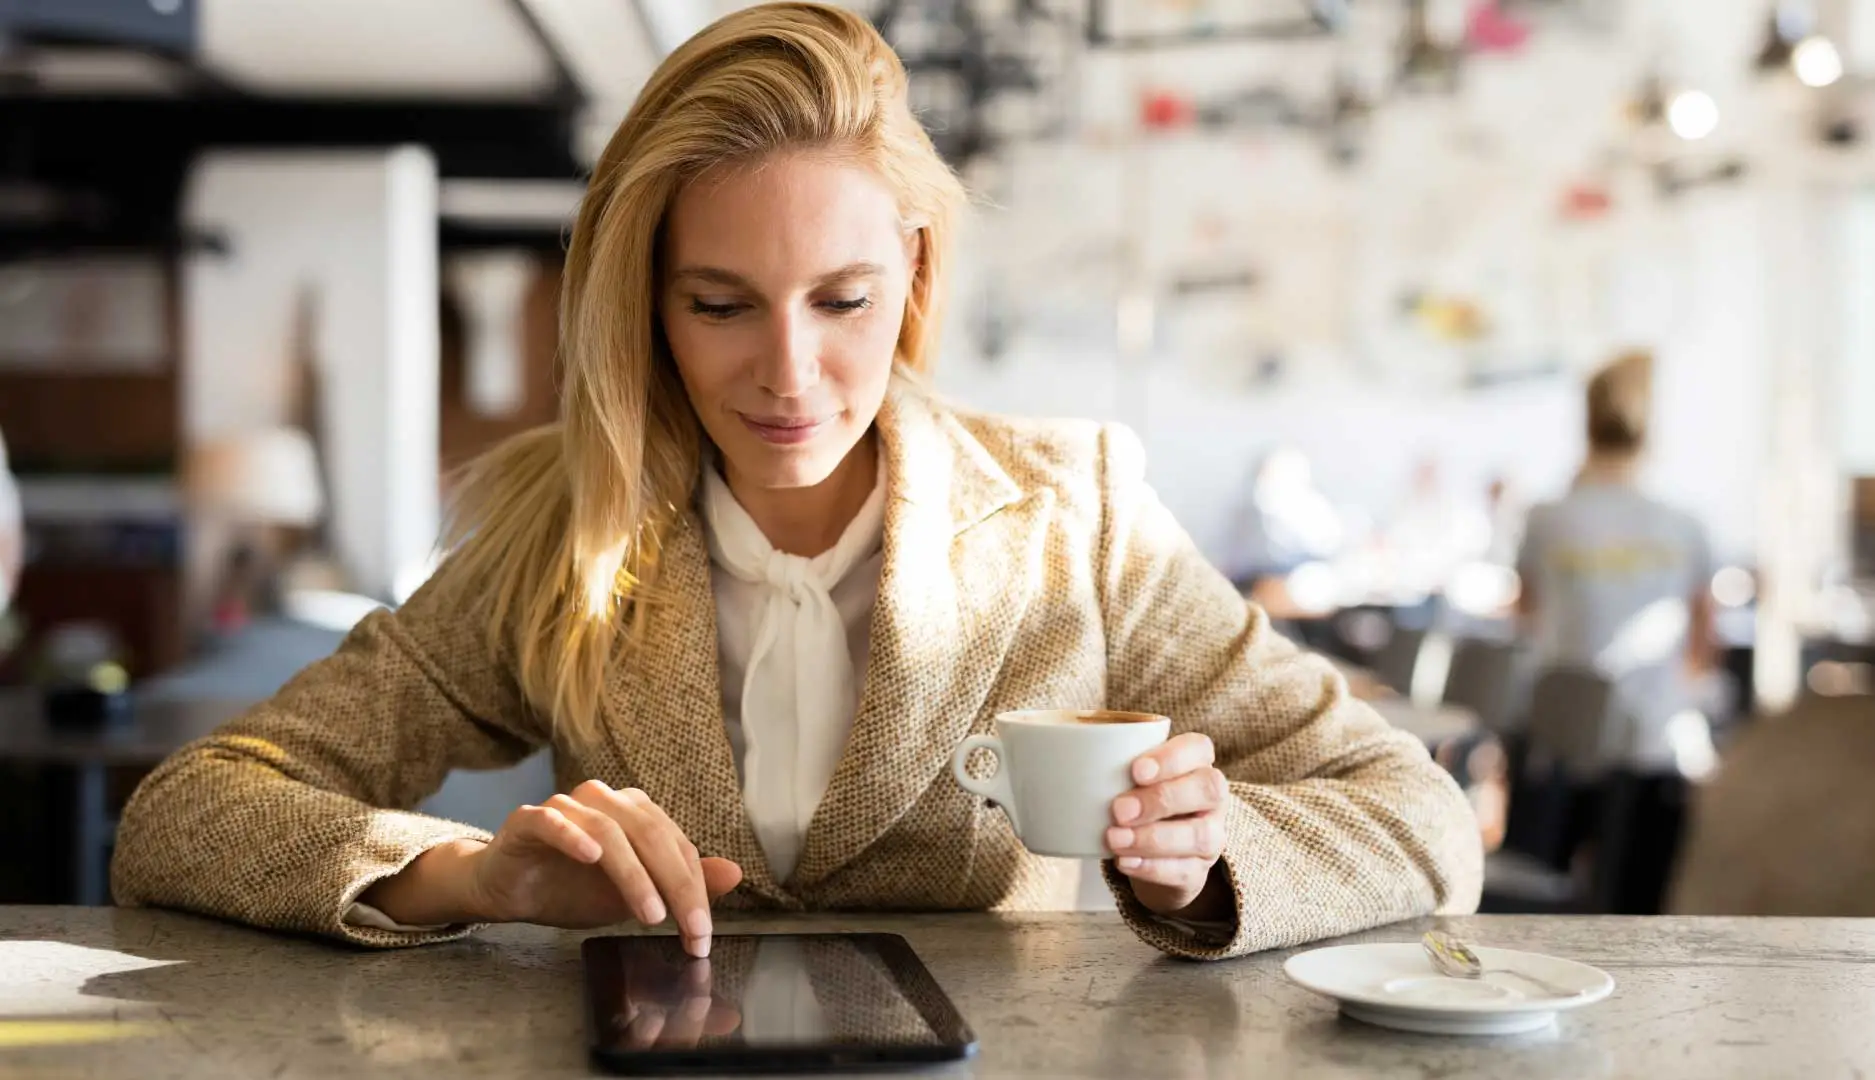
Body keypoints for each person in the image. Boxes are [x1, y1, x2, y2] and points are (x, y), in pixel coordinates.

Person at [110, 2, 1480, 963]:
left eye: (841, 299)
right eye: (719, 304)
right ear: (646, 302)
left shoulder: (1078, 515)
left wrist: (1211, 854)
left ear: (914, 277)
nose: (789, 373)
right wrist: (467, 877)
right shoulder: (560, 527)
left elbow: (1421, 822)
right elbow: (188, 815)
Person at [1516, 350, 1716, 772]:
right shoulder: (1685, 525)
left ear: (1586, 424)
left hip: (1562, 733)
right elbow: (1703, 642)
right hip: (1657, 739)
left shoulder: (1545, 518)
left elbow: (1526, 619)